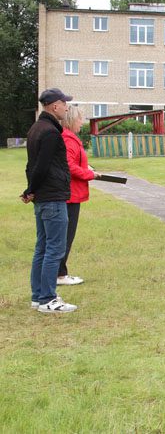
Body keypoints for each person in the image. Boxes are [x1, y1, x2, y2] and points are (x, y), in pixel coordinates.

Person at [22, 88, 77, 313]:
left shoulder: (36, 129)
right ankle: (47, 298)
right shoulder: (51, 132)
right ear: (55, 106)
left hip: (42, 197)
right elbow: (42, 166)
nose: (67, 107)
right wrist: (31, 189)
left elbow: (30, 166)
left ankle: (38, 296)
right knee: (55, 249)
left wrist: (31, 190)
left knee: (42, 248)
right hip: (52, 197)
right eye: (65, 103)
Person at [58, 104, 97, 286]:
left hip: (73, 193)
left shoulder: (71, 138)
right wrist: (89, 174)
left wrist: (86, 167)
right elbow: (69, 166)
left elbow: (74, 162)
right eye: (80, 118)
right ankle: (60, 274)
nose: (82, 122)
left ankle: (60, 272)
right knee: (65, 235)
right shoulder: (68, 139)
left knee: (66, 235)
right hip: (70, 194)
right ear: (72, 119)